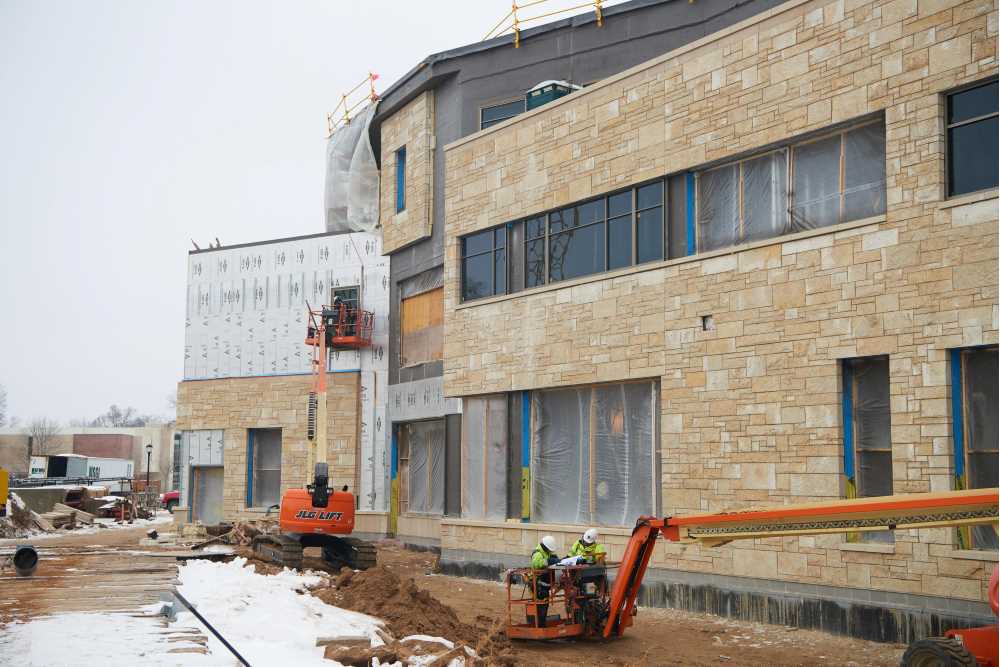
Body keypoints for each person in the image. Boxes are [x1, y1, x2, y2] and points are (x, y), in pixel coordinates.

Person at [529, 535, 559, 627]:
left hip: (544, 584)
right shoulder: (537, 554)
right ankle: (539, 625)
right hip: (537, 584)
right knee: (541, 606)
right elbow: (537, 564)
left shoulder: (545, 553)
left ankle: (541, 624)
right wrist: (548, 561)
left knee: (544, 605)